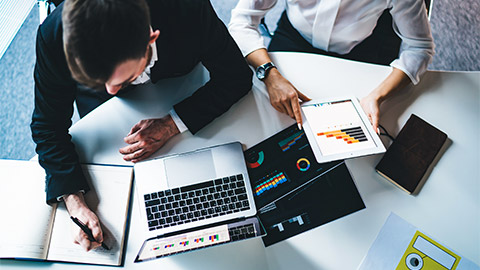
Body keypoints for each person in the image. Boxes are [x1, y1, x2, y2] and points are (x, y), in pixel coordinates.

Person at [31, 0, 252, 251]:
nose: (110, 90)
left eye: (121, 79)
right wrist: (74, 202)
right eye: (99, 79)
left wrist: (171, 124)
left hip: (179, 75)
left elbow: (236, 77)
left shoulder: (189, 8)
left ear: (150, 38)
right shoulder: (54, 35)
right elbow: (47, 126)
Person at [228, 0, 434, 132]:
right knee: (272, 124)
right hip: (294, 37)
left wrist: (377, 96)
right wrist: (270, 75)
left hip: (358, 52)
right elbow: (241, 22)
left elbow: (419, 47)